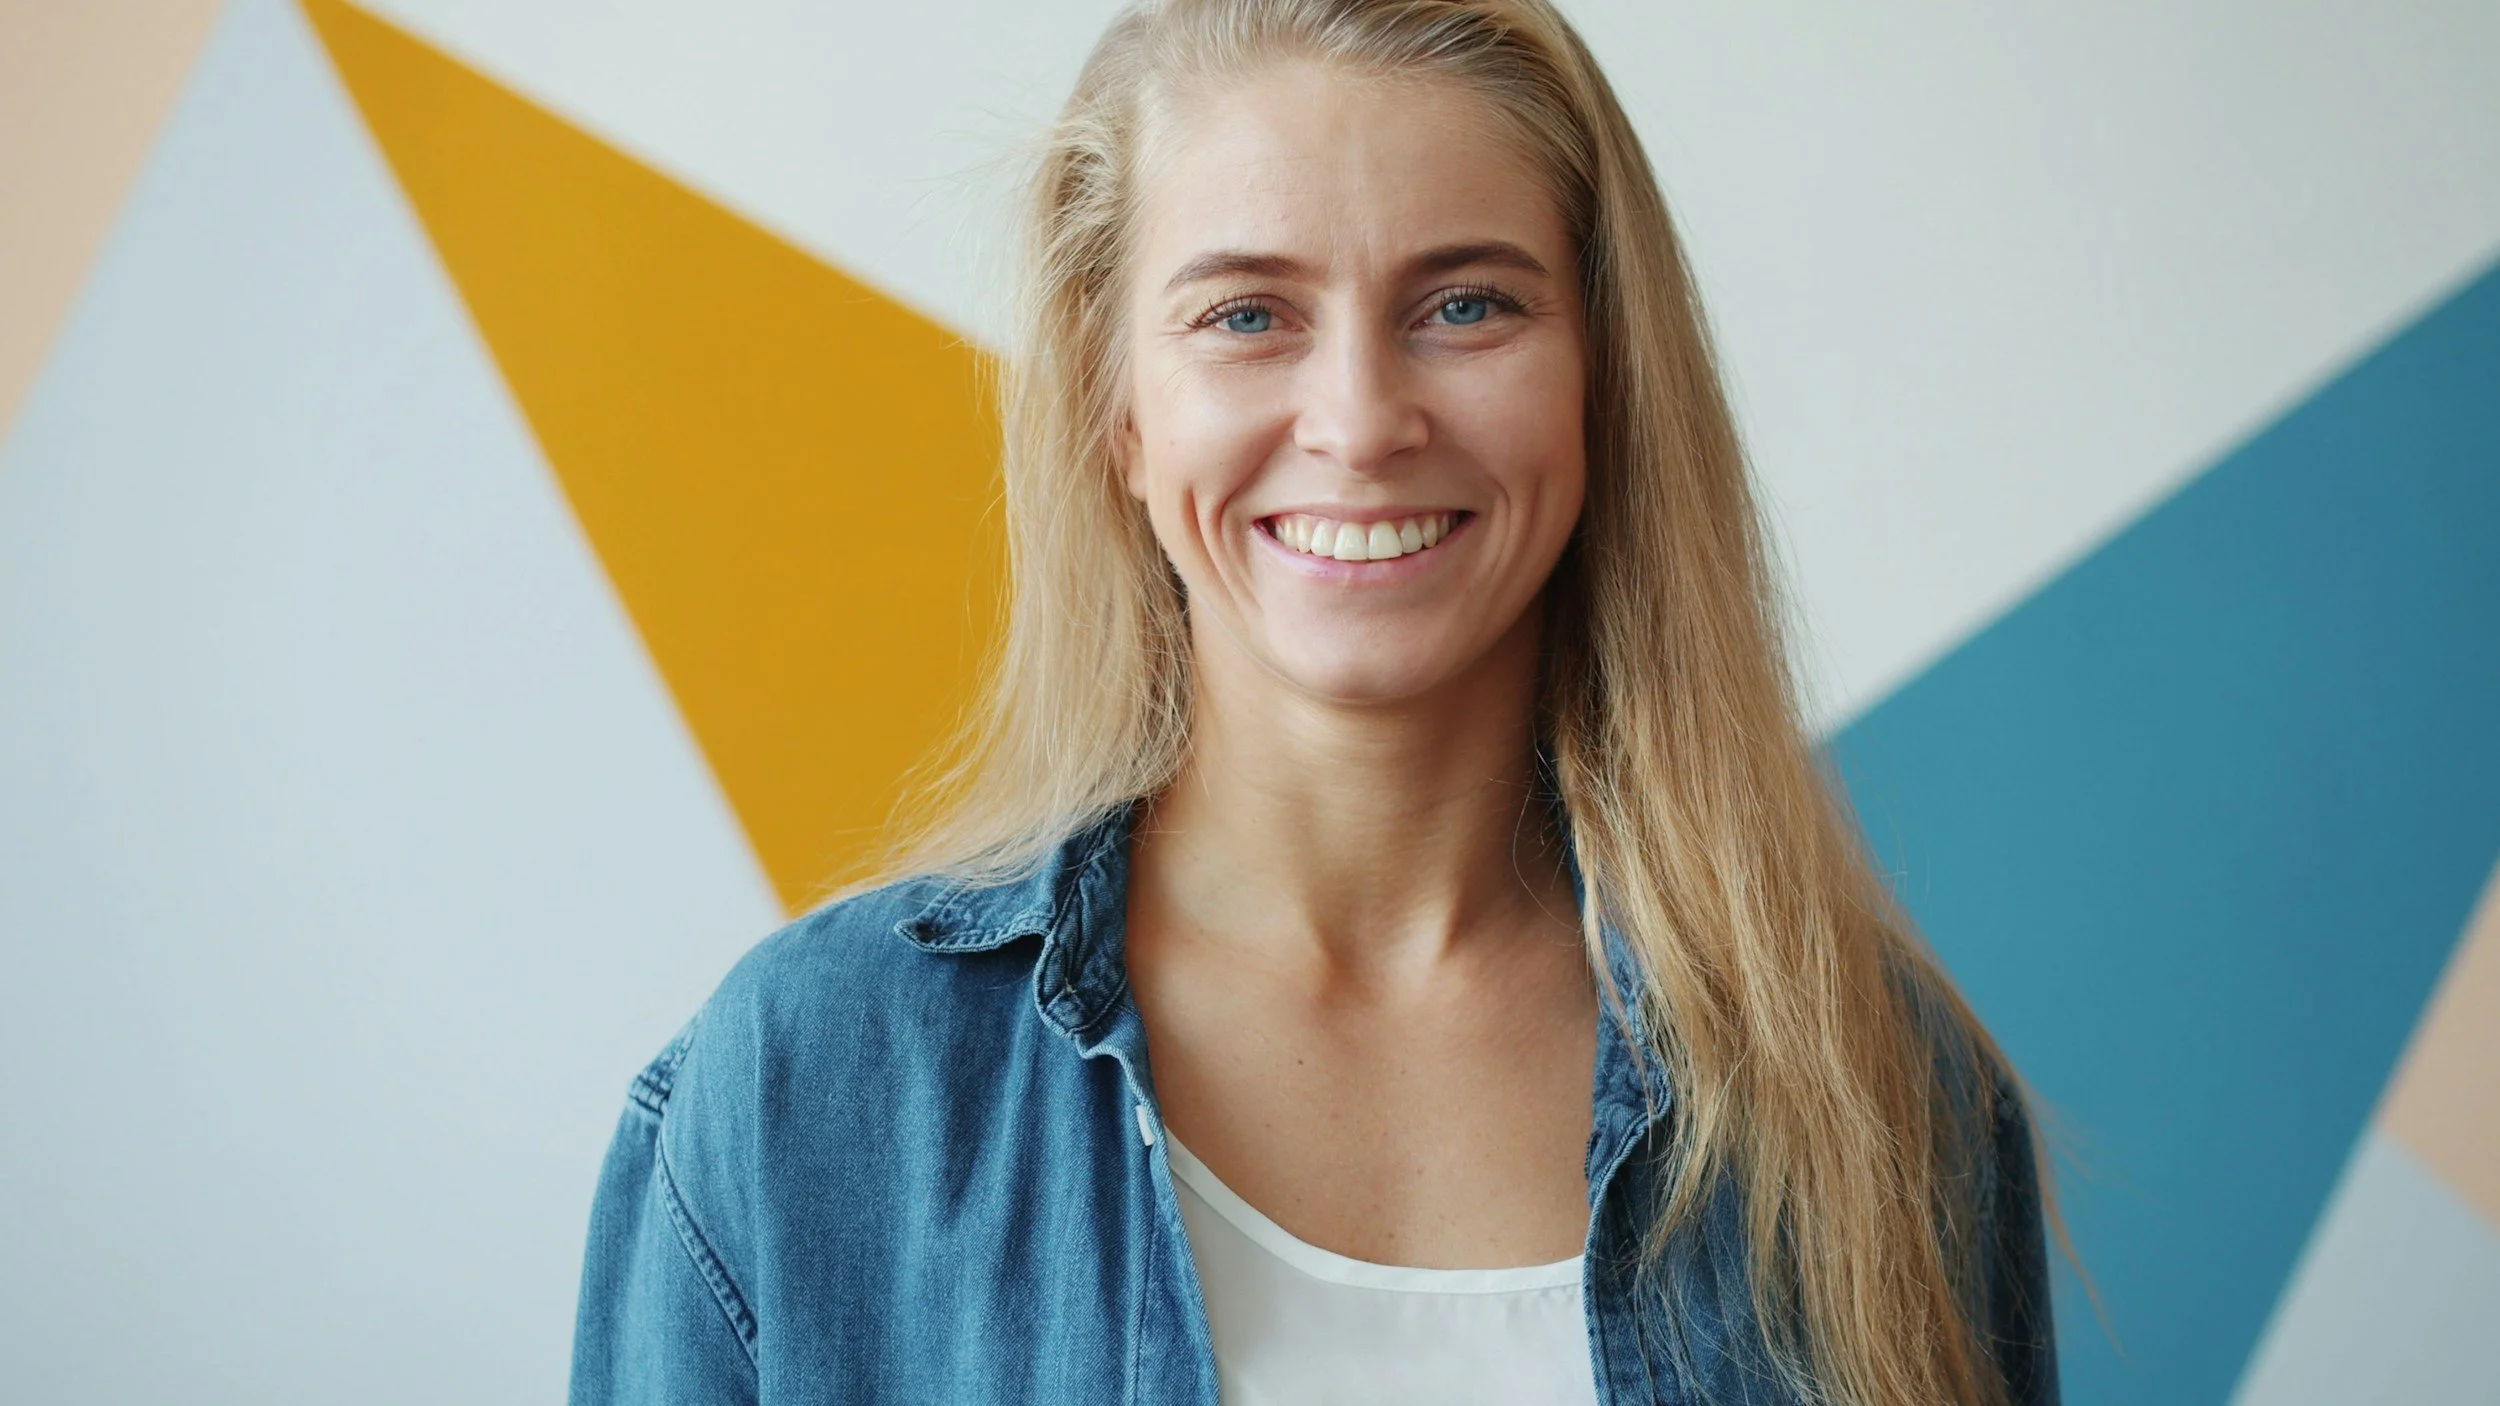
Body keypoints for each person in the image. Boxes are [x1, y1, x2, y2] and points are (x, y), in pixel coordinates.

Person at [567, 0, 2060, 1402]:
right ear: (1115, 406)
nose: (1359, 422)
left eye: (1466, 304)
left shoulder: (1880, 1096)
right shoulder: (809, 1085)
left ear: (1605, 378)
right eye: (1246, 316)